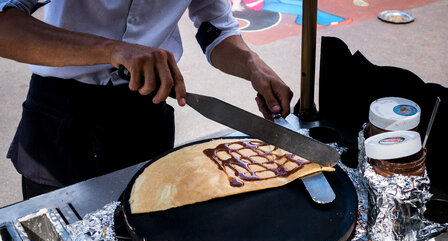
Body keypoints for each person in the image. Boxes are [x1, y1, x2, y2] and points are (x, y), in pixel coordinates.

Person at [0, 0, 293, 199]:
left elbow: (216, 29)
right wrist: (113, 49)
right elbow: (5, 25)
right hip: (60, 117)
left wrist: (253, 65)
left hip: (144, 115)